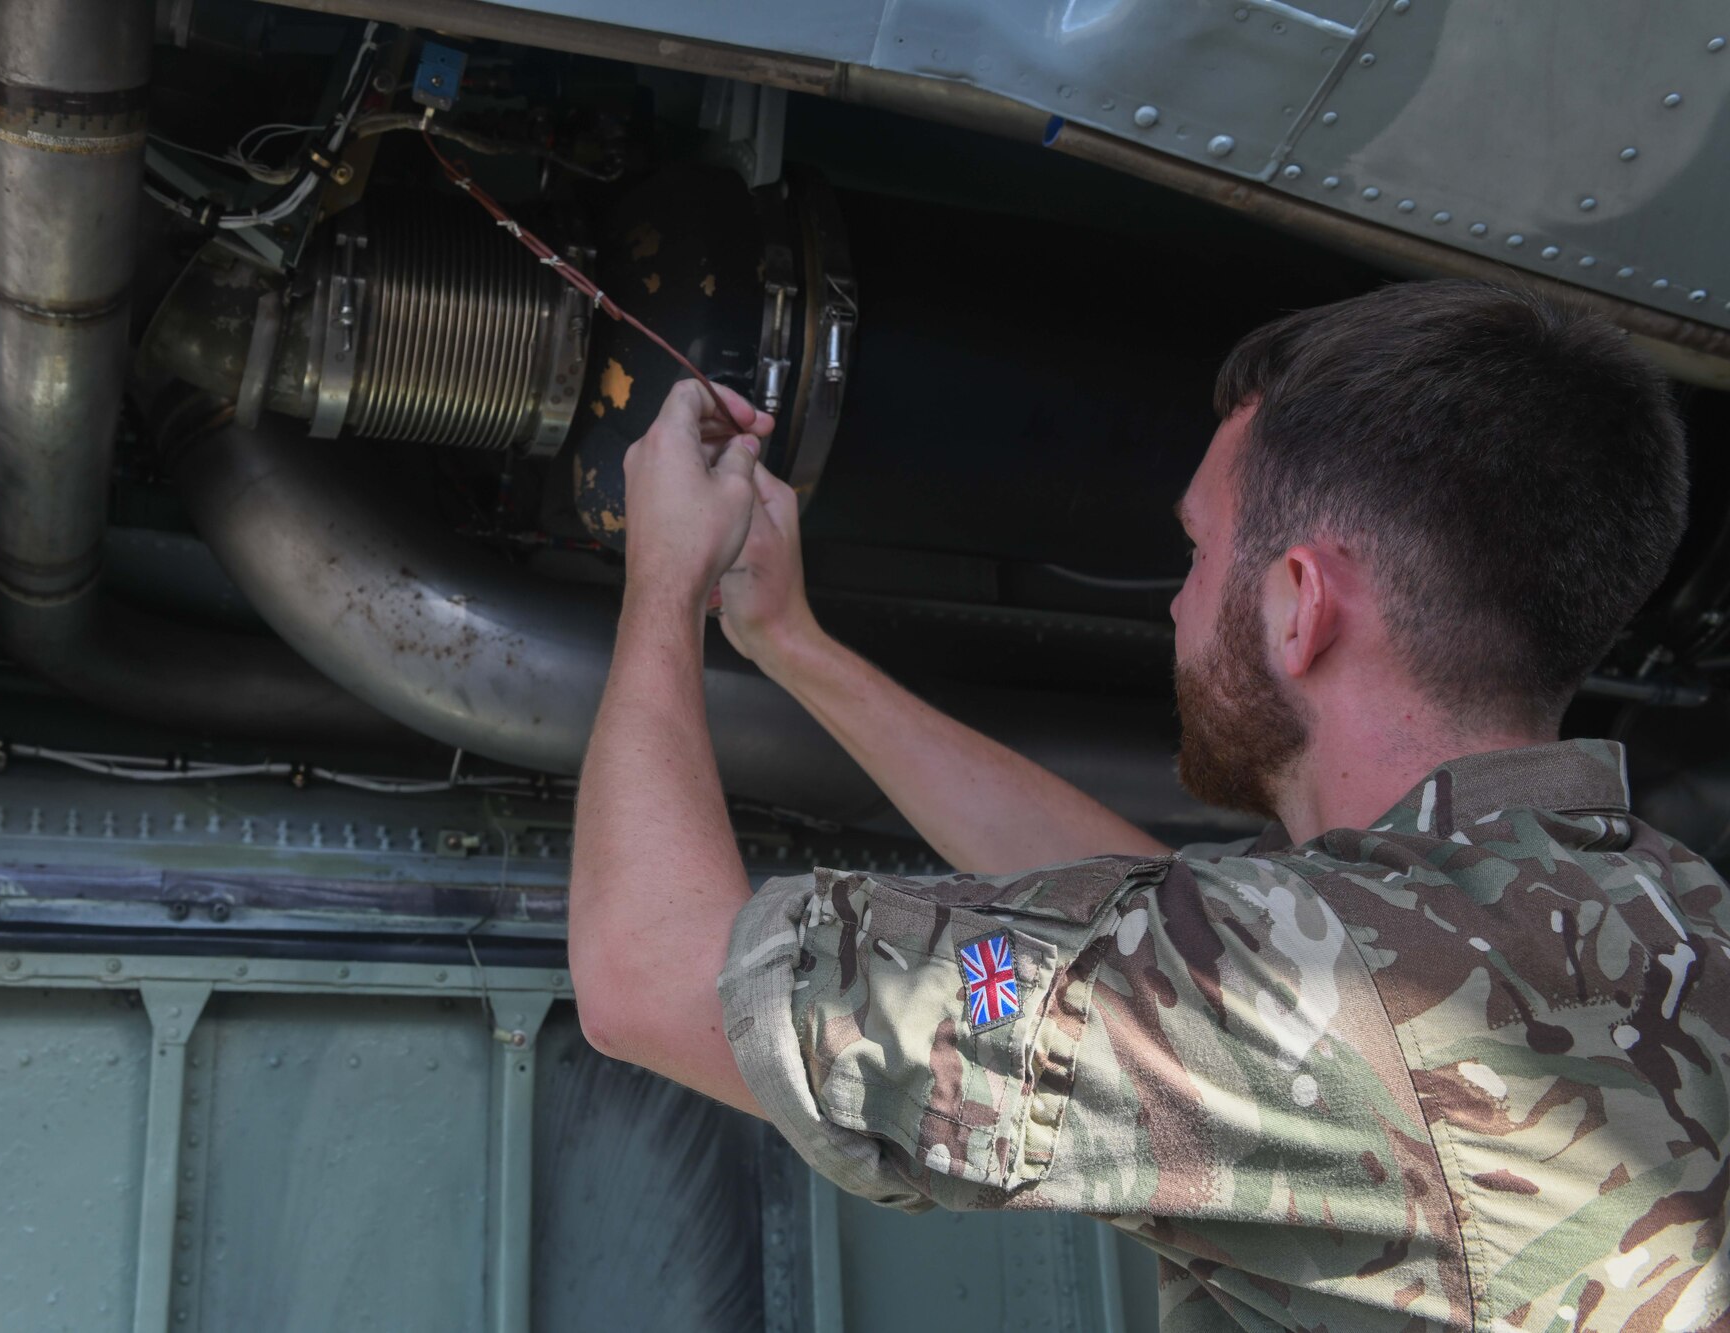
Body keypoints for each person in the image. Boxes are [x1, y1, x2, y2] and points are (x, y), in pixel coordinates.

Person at [566, 279, 1728, 1331]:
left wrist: (660, 581)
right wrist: (790, 645)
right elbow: (1181, 932)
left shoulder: (1327, 995)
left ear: (1296, 607)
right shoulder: (1668, 907)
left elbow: (656, 980)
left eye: (1194, 554)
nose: (1177, 610)